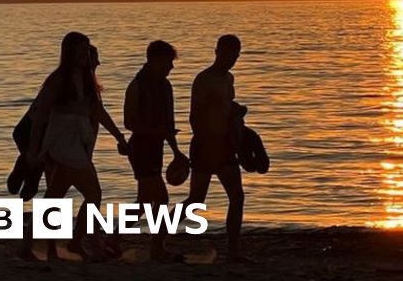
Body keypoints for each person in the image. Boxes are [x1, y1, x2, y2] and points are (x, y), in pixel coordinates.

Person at [21, 32, 128, 261]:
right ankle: (76, 241)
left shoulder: (87, 79)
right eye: (79, 50)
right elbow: (40, 115)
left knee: (53, 198)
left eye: (85, 49)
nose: (83, 54)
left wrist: (119, 136)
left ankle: (29, 245)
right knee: (93, 193)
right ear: (68, 52)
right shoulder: (59, 79)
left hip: (78, 143)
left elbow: (98, 112)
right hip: (62, 144)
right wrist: (33, 149)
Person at [181, 34, 248, 262]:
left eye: (236, 55)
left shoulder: (229, 78)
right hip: (205, 145)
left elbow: (224, 107)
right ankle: (159, 237)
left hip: (225, 145)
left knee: (237, 196)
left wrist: (236, 111)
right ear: (217, 52)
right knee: (195, 200)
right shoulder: (204, 80)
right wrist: (205, 143)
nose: (232, 59)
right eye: (229, 54)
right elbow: (194, 117)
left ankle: (233, 250)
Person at [123, 40, 186, 261]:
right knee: (160, 198)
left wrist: (177, 152)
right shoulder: (137, 85)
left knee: (143, 202)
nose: (171, 67)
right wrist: (155, 132)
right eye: (168, 62)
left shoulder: (165, 87)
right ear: (156, 60)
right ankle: (157, 248)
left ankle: (112, 239)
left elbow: (168, 125)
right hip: (140, 148)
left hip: (156, 148)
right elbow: (129, 122)